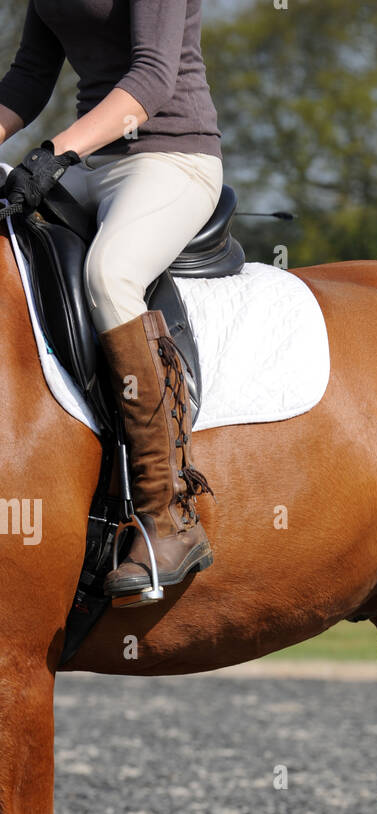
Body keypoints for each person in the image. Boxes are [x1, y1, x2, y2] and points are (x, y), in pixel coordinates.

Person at [0, 1, 223, 604]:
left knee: (110, 275)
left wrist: (53, 153)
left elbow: (152, 77)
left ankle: (169, 514)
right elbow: (27, 77)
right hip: (90, 162)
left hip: (172, 156)